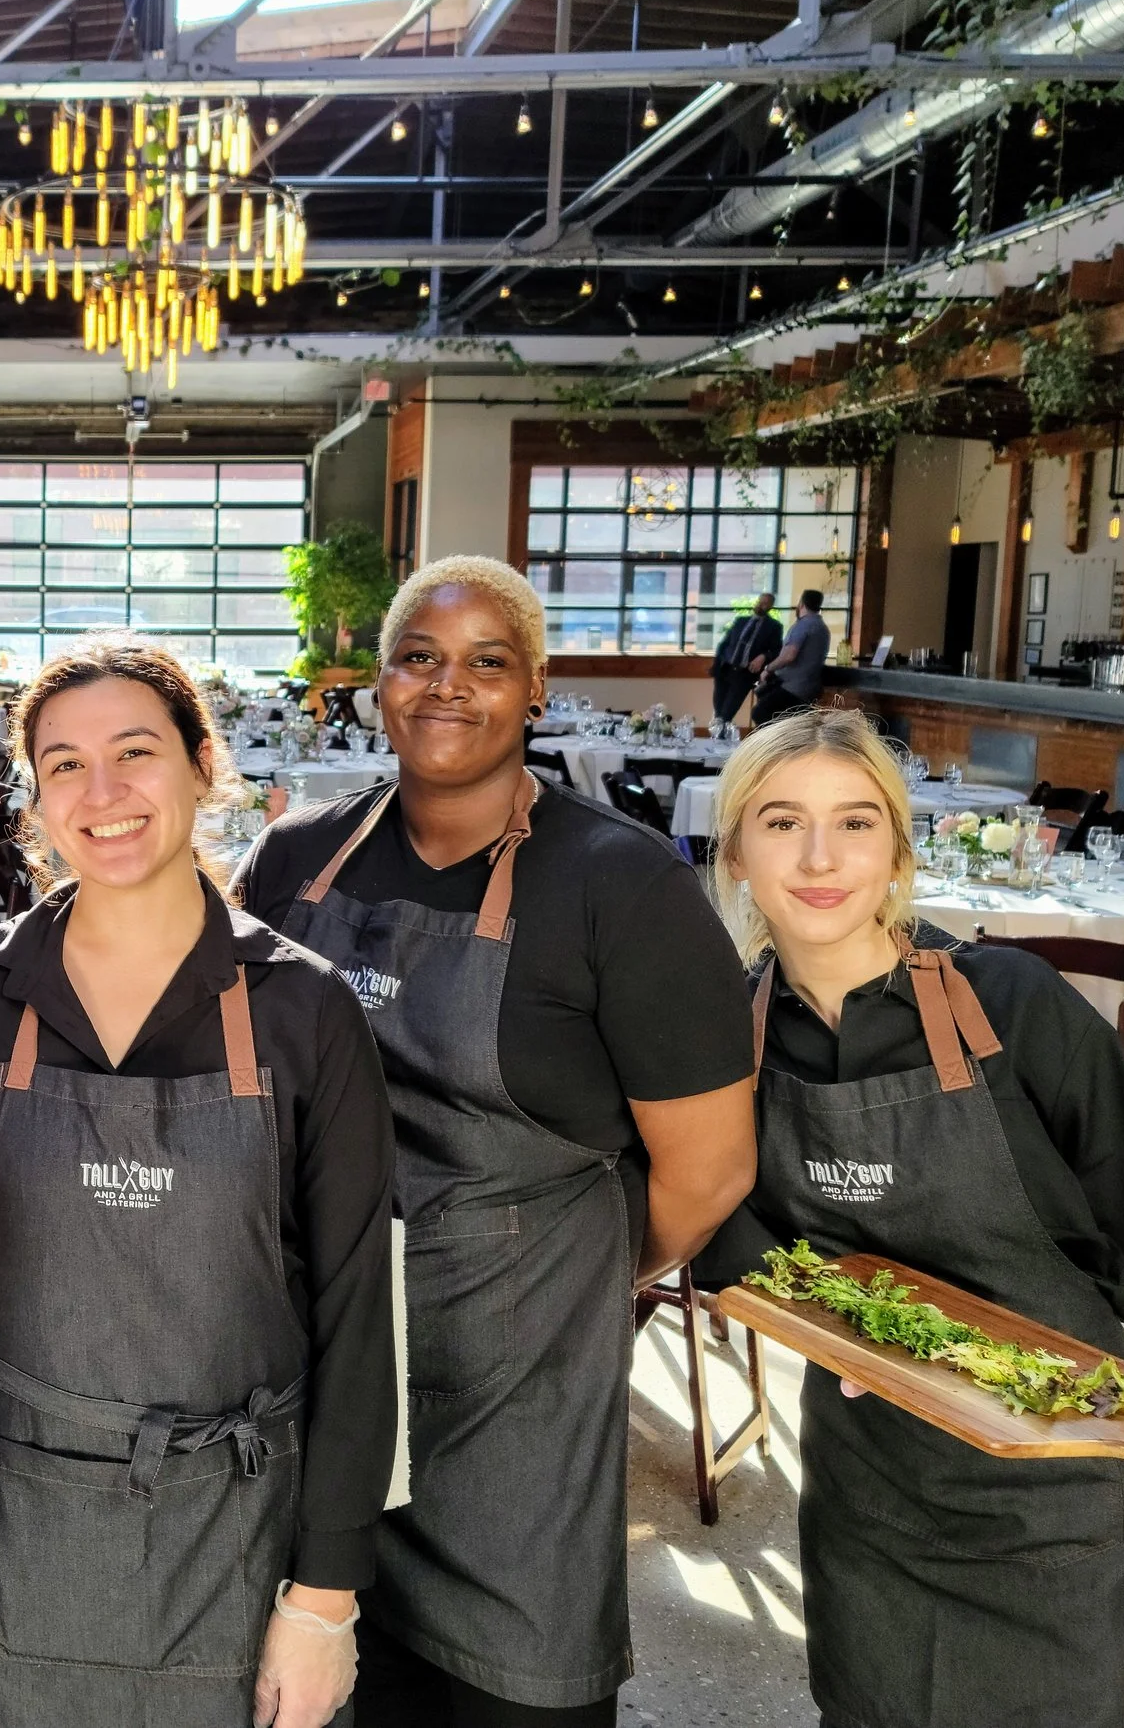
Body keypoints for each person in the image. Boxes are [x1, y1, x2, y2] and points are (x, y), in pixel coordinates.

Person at [234, 556, 757, 1728]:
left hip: (515, 1393)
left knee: (502, 1685)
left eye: (486, 662)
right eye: (418, 657)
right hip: (324, 1360)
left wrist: (566, 1275)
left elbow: (712, 1167)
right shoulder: (295, 861)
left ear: (535, 689)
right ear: (376, 685)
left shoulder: (618, 885)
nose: (446, 687)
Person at [698, 709, 1124, 1728]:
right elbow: (709, 1225)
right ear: (732, 850)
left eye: (855, 823)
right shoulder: (723, 1041)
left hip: (1070, 1482)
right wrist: (818, 1318)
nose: (820, 857)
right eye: (780, 823)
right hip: (874, 1488)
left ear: (897, 852)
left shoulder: (1011, 1002)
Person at [0, 634, 394, 1728]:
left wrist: (325, 1600)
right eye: (65, 764)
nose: (103, 792)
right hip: (8, 1519)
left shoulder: (303, 1011)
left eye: (136, 752)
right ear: (35, 795)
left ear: (201, 765)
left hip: (235, 1526)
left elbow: (361, 1319)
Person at [751, 588, 829, 725]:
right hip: (810, 688)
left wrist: (768, 669)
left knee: (760, 713)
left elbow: (789, 655)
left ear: (802, 604)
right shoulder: (823, 628)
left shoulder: (803, 625)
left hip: (793, 687)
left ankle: (774, 745)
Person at [708, 591, 781, 727]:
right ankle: (717, 741)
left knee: (727, 713)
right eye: (760, 601)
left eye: (765, 604)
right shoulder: (741, 621)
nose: (761, 605)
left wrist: (764, 656)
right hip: (725, 669)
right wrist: (716, 666)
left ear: (771, 607)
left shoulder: (774, 627)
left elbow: (777, 650)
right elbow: (724, 644)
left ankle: (721, 741)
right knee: (718, 711)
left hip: (744, 674)